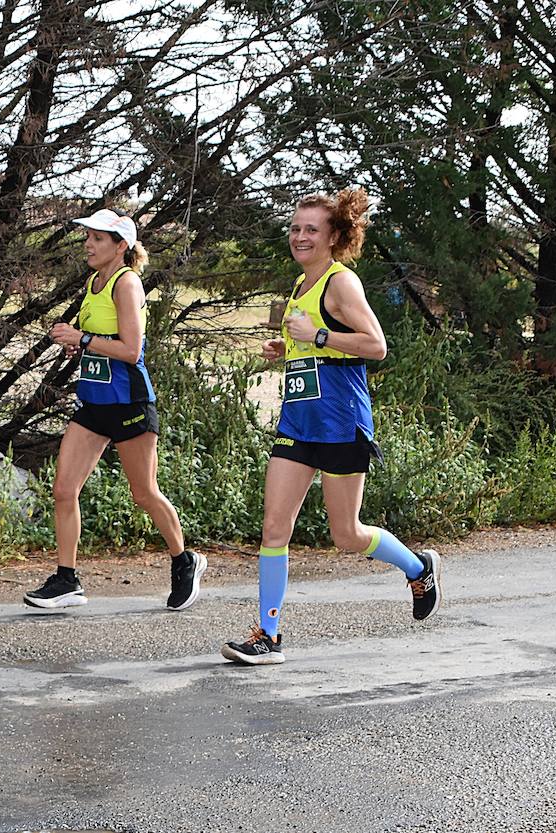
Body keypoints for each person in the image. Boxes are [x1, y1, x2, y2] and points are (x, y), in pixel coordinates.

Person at [220, 188, 441, 665]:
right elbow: (318, 351)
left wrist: (316, 335)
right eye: (296, 228)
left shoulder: (342, 283)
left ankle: (418, 566)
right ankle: (268, 635)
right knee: (274, 526)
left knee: (347, 534)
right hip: (298, 423)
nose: (300, 236)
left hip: (342, 423)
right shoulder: (299, 288)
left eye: (311, 229)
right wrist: (290, 350)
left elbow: (375, 345)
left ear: (335, 236)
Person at [24, 208, 206, 611]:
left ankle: (184, 560)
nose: (88, 244)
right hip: (94, 401)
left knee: (144, 492)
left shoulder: (127, 284)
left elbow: (131, 349)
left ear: (121, 246)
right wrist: (77, 344)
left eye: (98, 238)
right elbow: (99, 341)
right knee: (63, 490)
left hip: (129, 403)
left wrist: (83, 338)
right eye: (87, 236)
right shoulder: (93, 281)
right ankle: (67, 579)